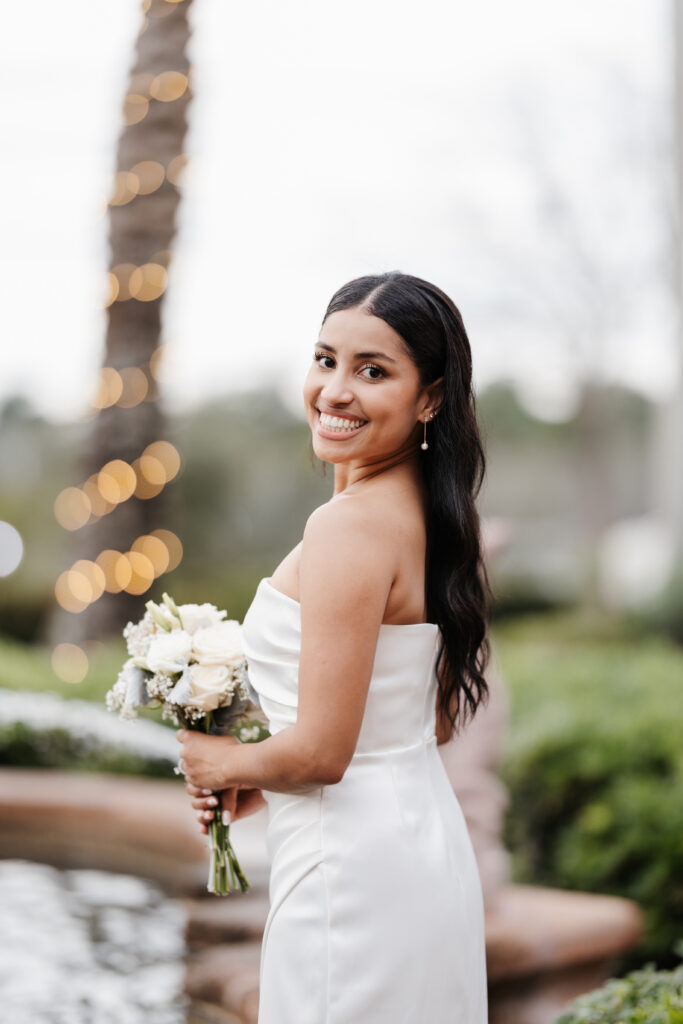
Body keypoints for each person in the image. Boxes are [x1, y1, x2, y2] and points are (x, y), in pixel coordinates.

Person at [176, 271, 493, 1023]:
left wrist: (218, 760)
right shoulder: (437, 516)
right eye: (325, 360)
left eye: (372, 371)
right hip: (419, 841)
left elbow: (323, 754)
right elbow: (429, 723)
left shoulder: (349, 527)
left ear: (431, 397)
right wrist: (265, 773)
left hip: (348, 870)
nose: (335, 391)